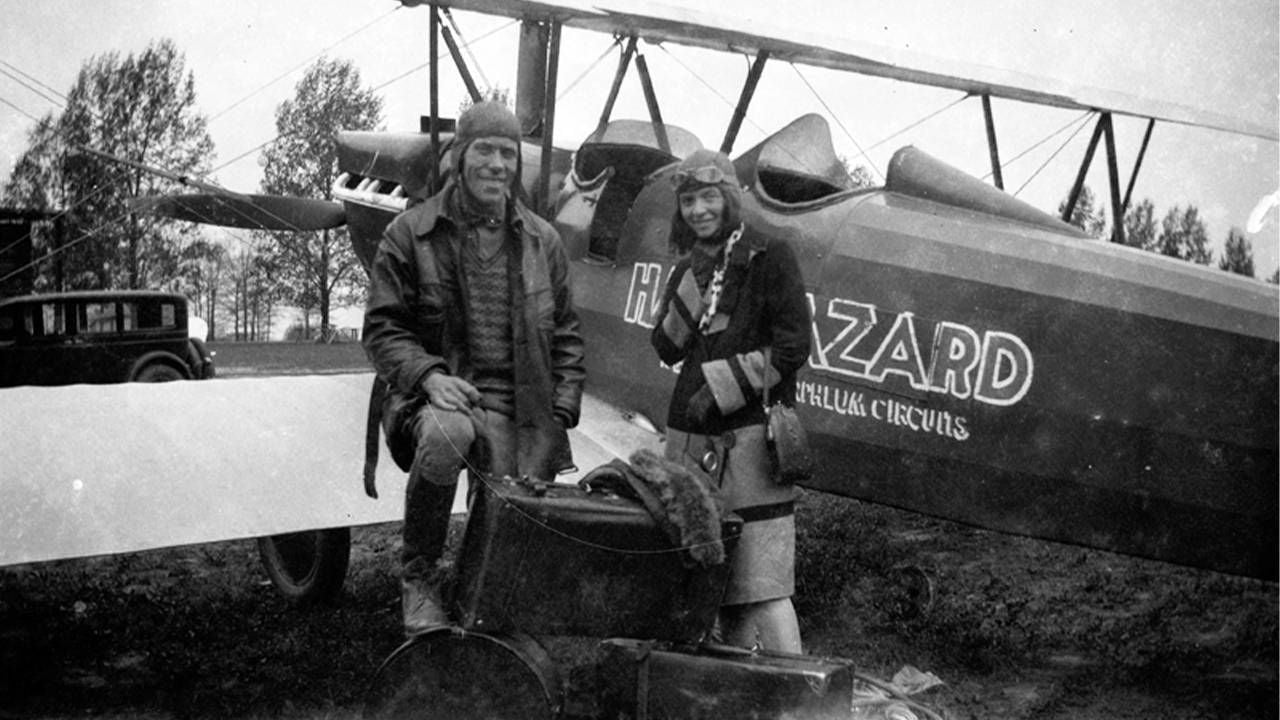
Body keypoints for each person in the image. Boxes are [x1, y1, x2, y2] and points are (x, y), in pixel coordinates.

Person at [362, 101, 585, 636]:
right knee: (449, 435)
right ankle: (419, 578)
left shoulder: (542, 241)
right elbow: (382, 329)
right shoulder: (409, 233)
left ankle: (478, 603)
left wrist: (559, 413)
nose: (497, 164)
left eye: (508, 153)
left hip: (519, 406)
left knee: (508, 547)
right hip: (433, 399)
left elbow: (569, 338)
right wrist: (430, 377)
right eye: (484, 150)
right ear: (458, 157)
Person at [650, 149, 811, 653]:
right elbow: (665, 347)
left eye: (709, 198)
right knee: (714, 587)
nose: (699, 210)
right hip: (690, 442)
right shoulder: (689, 267)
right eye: (689, 201)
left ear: (730, 199)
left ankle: (803, 700)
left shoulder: (770, 256)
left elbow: (792, 347)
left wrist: (721, 388)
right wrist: (692, 283)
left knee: (763, 587)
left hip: (750, 444)